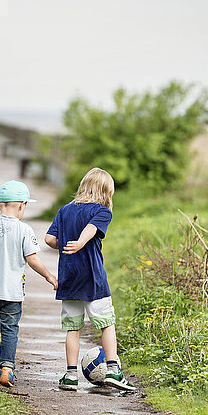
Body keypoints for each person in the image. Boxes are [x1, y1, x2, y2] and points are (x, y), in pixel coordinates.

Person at [45, 167, 135, 391]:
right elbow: (91, 228)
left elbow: (49, 239)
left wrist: (67, 242)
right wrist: (80, 243)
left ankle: (70, 376)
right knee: (106, 323)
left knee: (73, 329)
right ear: (106, 191)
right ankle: (113, 370)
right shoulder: (103, 211)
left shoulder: (64, 211)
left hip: (69, 279)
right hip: (92, 278)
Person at [0, 180, 58, 387]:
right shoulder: (24, 230)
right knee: (9, 330)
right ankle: (6, 369)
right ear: (21, 206)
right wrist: (49, 276)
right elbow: (33, 259)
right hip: (12, 295)